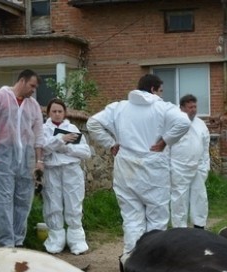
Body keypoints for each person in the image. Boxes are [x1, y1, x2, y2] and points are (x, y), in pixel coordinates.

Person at [87, 74, 190, 254]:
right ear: (152, 89)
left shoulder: (119, 107)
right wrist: (165, 141)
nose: (161, 95)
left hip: (125, 166)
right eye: (160, 91)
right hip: (153, 167)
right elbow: (184, 122)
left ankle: (130, 261)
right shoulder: (162, 107)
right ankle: (152, 261)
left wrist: (110, 143)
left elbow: (92, 123)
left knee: (131, 218)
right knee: (157, 219)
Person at [0, 69, 45, 248]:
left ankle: (18, 241)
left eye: (35, 87)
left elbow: (39, 134)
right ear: (21, 81)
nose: (33, 90)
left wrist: (39, 161)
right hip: (2, 157)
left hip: (26, 158)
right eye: (32, 85)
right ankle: (6, 243)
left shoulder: (33, 105)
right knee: (3, 199)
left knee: (24, 200)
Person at [40, 98, 91, 255]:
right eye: (54, 111)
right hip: (51, 170)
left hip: (71, 170)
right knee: (53, 203)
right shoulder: (42, 129)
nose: (57, 114)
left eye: (60, 111)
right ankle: (56, 239)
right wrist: (60, 140)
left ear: (64, 113)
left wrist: (66, 150)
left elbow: (86, 152)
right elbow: (42, 149)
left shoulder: (72, 128)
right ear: (48, 113)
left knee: (74, 203)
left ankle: (76, 239)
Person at [169, 94, 210, 229]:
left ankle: (199, 226)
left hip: (197, 167)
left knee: (200, 197)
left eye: (195, 106)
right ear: (182, 108)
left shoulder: (201, 124)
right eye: (190, 107)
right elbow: (166, 145)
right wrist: (169, 167)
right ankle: (180, 229)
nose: (193, 109)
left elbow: (205, 148)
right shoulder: (173, 123)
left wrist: (205, 167)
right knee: (179, 199)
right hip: (178, 167)